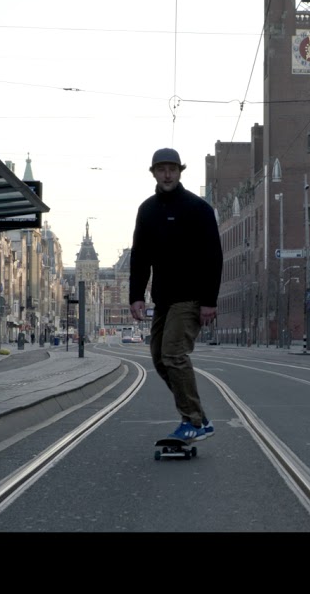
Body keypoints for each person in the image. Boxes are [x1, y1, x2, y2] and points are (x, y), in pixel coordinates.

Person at [129, 147, 223, 443]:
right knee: (158, 358)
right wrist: (137, 295)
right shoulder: (147, 210)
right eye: (161, 169)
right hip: (164, 299)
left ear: (180, 172)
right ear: (154, 173)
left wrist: (209, 300)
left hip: (191, 297)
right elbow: (140, 256)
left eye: (172, 169)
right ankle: (198, 418)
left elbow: (213, 257)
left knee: (173, 354)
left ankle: (193, 421)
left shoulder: (198, 208)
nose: (167, 174)